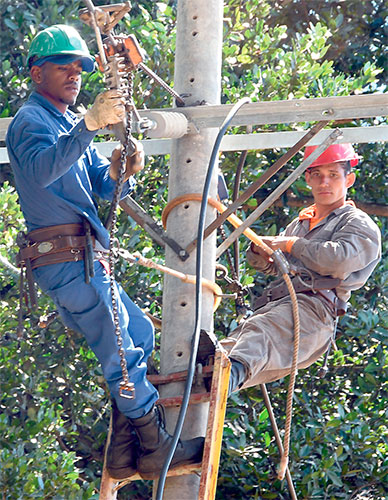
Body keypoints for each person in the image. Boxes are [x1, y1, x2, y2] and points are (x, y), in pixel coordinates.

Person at [6, 24, 203, 480]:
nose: (75, 74)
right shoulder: (30, 121)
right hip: (66, 261)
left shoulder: (66, 124)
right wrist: (90, 125)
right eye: (63, 66)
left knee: (138, 333)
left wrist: (122, 167)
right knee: (123, 356)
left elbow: (101, 183)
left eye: (79, 67)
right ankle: (155, 447)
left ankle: (121, 449)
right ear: (37, 74)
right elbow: (39, 172)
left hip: (84, 261)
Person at [223, 143, 382, 393]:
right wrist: (260, 253)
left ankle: (223, 377)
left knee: (258, 334)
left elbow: (338, 260)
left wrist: (290, 244)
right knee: (225, 352)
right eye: (317, 175)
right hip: (279, 306)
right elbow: (279, 267)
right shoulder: (301, 223)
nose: (324, 183)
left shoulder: (358, 223)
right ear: (308, 178)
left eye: (333, 175)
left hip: (312, 311)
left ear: (348, 179)